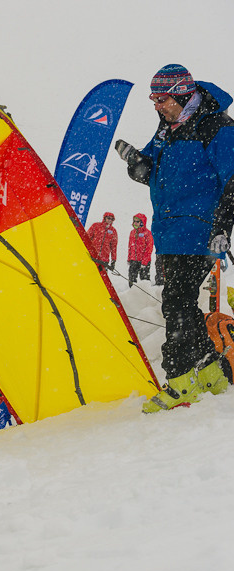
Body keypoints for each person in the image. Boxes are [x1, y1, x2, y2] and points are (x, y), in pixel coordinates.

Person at [114, 64, 234, 412]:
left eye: (161, 99)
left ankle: (181, 382)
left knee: (177, 302)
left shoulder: (216, 127)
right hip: (169, 233)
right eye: (153, 99)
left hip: (200, 231)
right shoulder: (167, 131)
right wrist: (136, 162)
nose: (156, 106)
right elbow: (152, 174)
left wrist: (222, 228)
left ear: (183, 93)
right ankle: (212, 374)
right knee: (180, 302)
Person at [127, 213, 154, 287]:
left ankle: (146, 294)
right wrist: (129, 258)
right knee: (131, 279)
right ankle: (132, 292)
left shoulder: (148, 233)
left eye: (137, 221)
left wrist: (144, 262)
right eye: (134, 221)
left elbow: (149, 249)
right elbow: (130, 247)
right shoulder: (132, 232)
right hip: (133, 260)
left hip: (144, 261)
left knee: (145, 280)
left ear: (142, 222)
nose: (135, 223)